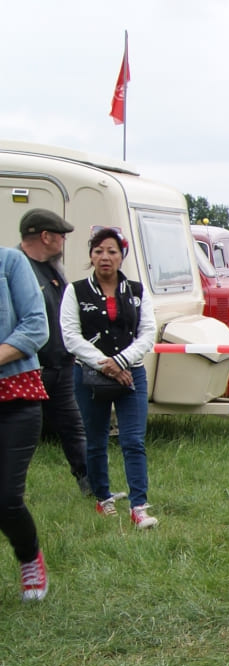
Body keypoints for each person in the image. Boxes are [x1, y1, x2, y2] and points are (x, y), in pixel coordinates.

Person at [59, 226, 159, 529]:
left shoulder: (138, 291)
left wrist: (120, 361)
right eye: (99, 251)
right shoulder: (75, 290)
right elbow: (70, 336)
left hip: (132, 375)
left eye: (112, 251)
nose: (105, 257)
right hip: (89, 376)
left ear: (121, 256)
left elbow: (148, 333)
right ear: (91, 255)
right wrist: (106, 365)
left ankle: (139, 505)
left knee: (133, 441)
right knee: (96, 439)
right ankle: (103, 498)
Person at [17, 209, 89, 496]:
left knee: (74, 428)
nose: (63, 241)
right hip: (30, 368)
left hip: (61, 367)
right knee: (21, 436)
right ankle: (12, 493)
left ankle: (90, 483)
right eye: (61, 236)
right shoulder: (15, 268)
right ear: (45, 236)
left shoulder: (52, 270)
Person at [0, 246, 51, 600]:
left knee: (5, 498)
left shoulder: (9, 262)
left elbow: (36, 327)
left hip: (15, 400)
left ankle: (29, 557)